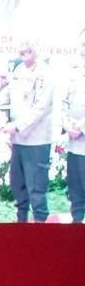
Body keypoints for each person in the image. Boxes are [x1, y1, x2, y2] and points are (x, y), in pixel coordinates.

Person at [8, 40, 55, 222]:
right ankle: (21, 229)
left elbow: (40, 108)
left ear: (37, 48)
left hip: (36, 142)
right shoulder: (18, 70)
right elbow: (10, 97)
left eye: (29, 46)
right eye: (22, 46)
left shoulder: (46, 73)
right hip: (18, 141)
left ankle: (40, 233)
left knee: (36, 192)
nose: (25, 50)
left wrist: (17, 126)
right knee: (18, 189)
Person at [63, 29, 85, 223]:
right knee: (76, 191)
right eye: (83, 45)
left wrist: (82, 126)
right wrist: (67, 124)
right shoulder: (74, 72)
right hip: (74, 146)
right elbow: (63, 103)